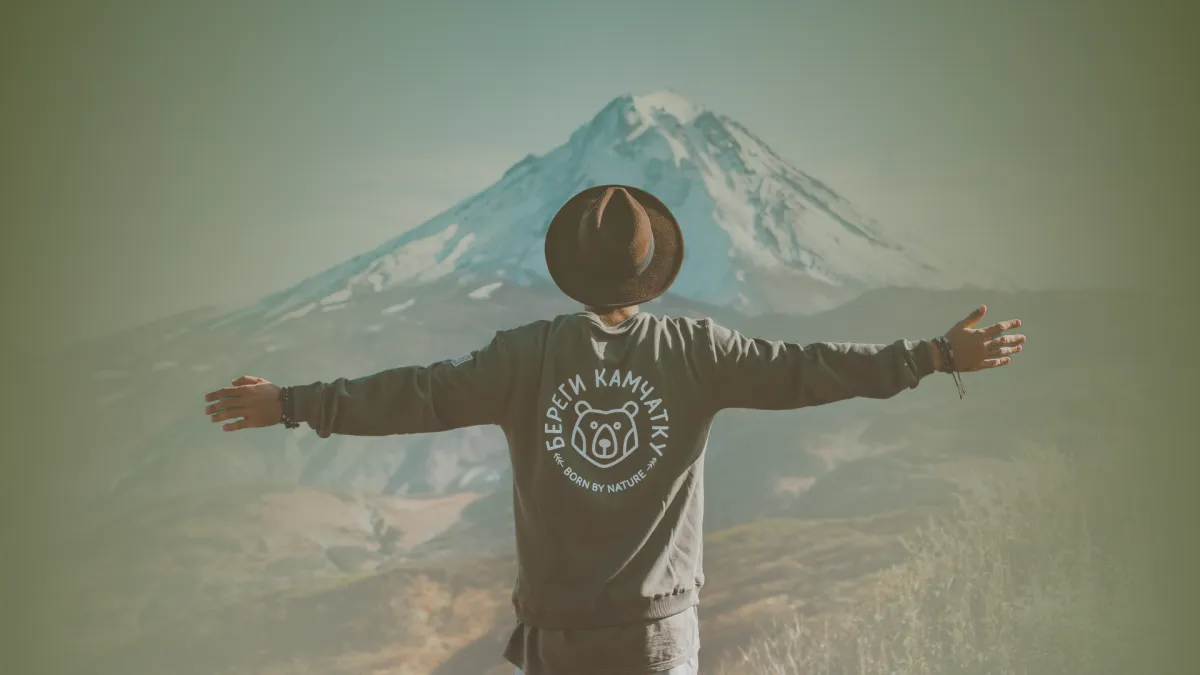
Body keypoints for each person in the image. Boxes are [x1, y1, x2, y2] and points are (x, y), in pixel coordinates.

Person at [203, 185, 1026, 675]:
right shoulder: (697, 350)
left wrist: (293, 402)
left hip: (559, 635)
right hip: (661, 633)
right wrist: (932, 354)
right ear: (652, 267)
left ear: (572, 270)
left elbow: (415, 396)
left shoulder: (523, 356)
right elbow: (810, 367)